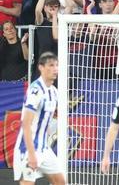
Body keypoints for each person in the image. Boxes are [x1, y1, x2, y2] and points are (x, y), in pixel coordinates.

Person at [15, 52, 63, 185]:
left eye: (57, 65)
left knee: (60, 181)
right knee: (28, 182)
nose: (55, 69)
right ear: (41, 67)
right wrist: (31, 154)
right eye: (51, 65)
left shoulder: (54, 91)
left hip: (44, 148)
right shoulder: (35, 90)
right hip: (28, 148)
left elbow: (51, 118)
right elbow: (26, 124)